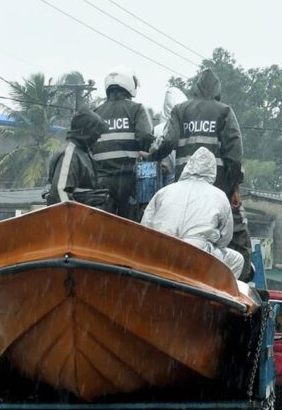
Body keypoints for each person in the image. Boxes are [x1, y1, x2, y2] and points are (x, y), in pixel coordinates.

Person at [141, 147, 244, 277]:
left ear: (188, 166)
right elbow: (225, 239)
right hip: (197, 254)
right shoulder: (220, 196)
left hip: (162, 249)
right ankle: (213, 293)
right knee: (237, 260)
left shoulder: (164, 192)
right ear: (212, 171)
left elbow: (144, 227)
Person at [155, 68, 243, 194]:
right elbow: (234, 155)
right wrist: (235, 186)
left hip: (183, 185)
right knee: (232, 213)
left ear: (197, 89)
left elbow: (168, 142)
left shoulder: (180, 110)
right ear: (217, 90)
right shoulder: (224, 112)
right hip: (216, 187)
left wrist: (151, 157)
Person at [92, 66, 154, 220]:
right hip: (129, 179)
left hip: (101, 181)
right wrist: (143, 150)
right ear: (129, 87)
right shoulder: (137, 109)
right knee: (130, 226)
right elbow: (146, 135)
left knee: (104, 226)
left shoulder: (96, 113)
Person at [43, 111, 107, 206]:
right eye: (96, 131)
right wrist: (85, 200)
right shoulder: (70, 154)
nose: (99, 136)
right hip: (73, 218)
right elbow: (60, 194)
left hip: (85, 216)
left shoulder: (83, 154)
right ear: (85, 131)